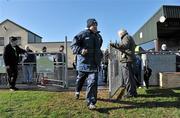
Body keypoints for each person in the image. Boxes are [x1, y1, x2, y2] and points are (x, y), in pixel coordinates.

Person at [71, 18, 103, 110]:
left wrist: (101, 55)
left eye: (96, 25)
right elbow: (73, 45)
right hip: (83, 64)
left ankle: (91, 102)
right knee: (80, 80)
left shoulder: (98, 37)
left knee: (93, 82)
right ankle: (77, 92)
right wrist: (81, 50)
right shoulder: (82, 34)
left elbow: (98, 49)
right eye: (94, 25)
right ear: (89, 26)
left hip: (94, 64)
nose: (96, 27)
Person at [110, 29, 137, 98]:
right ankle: (133, 92)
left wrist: (114, 45)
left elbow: (125, 46)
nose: (118, 36)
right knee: (131, 78)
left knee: (127, 78)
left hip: (127, 60)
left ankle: (130, 93)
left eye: (119, 34)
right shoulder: (128, 37)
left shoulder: (126, 37)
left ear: (121, 33)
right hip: (129, 60)